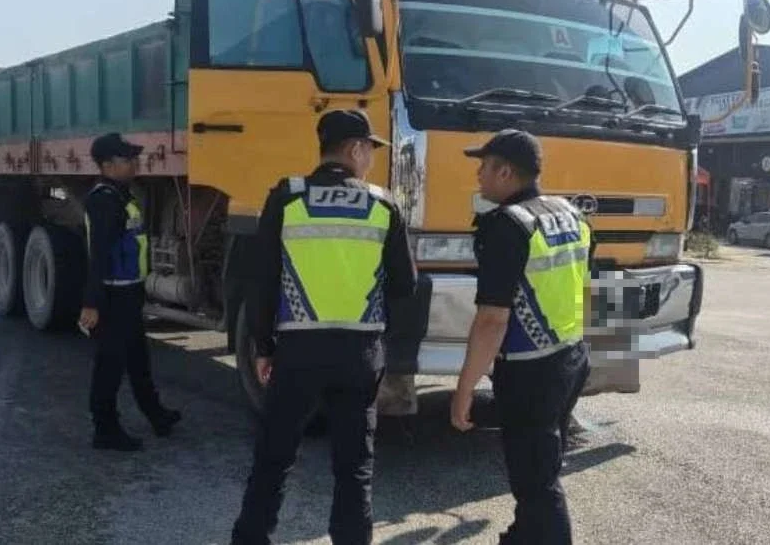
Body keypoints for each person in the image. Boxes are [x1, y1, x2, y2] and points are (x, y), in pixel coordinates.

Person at [231, 109, 417, 545]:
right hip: (359, 354)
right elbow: (405, 286)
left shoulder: (287, 197)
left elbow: (260, 280)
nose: (371, 159)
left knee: (273, 459)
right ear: (354, 149)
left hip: (298, 353)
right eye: (370, 150)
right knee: (354, 468)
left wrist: (263, 346)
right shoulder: (383, 204)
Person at [449, 129, 593, 544]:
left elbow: (492, 321)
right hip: (570, 357)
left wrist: (464, 390)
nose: (478, 174)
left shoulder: (507, 226)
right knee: (541, 463)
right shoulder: (570, 213)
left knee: (537, 482)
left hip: (531, 372)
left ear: (505, 172)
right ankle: (524, 534)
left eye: (484, 166)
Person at [79, 132, 181, 452]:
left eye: (134, 158)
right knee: (110, 364)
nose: (135, 163)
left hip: (129, 292)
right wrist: (91, 303)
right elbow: (99, 255)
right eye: (127, 159)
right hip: (112, 296)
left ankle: (156, 414)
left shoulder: (121, 195)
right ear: (107, 165)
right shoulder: (104, 200)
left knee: (138, 359)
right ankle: (105, 429)